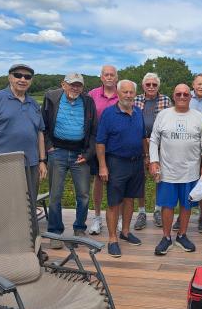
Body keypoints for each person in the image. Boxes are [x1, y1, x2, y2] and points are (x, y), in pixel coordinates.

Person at [149, 83, 202, 255]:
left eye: (185, 94)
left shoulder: (199, 117)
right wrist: (154, 161)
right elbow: (154, 140)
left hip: (190, 171)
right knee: (167, 205)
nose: (182, 97)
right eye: (179, 94)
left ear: (190, 97)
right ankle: (166, 237)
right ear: (173, 96)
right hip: (167, 171)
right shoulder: (163, 115)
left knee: (186, 205)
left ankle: (182, 235)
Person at [42, 73, 97, 249]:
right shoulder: (51, 98)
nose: (75, 88)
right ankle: (55, 232)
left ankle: (79, 229)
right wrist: (49, 146)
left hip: (80, 155)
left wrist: (88, 154)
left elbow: (94, 131)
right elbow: (43, 125)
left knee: (83, 195)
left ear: (82, 87)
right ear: (63, 84)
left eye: (78, 85)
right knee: (55, 195)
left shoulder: (88, 102)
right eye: (72, 84)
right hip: (56, 152)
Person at [0, 63, 47, 202]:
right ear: (10, 77)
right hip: (1, 164)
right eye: (18, 75)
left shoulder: (34, 104)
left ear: (31, 80)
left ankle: (28, 219)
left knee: (29, 204)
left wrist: (42, 161)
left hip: (31, 164)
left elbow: (39, 134)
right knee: (2, 203)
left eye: (27, 77)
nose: (23, 79)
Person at [96, 80, 147, 258]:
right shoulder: (109, 114)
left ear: (135, 94)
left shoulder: (138, 112)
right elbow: (100, 142)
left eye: (131, 92)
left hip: (136, 162)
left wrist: (147, 157)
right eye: (125, 92)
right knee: (114, 202)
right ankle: (112, 239)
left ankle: (125, 231)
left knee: (130, 199)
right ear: (118, 94)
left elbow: (143, 137)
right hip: (116, 162)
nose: (128, 95)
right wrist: (103, 166)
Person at [176, 73, 202, 233]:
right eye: (199, 84)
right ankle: (180, 217)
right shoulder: (185, 97)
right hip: (186, 147)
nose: (201, 86)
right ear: (193, 85)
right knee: (183, 181)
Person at [133, 72, 172, 229]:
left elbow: (170, 122)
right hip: (138, 144)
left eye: (154, 84)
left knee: (158, 177)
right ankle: (141, 212)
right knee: (140, 179)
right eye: (148, 84)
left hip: (160, 145)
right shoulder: (136, 100)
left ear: (158, 86)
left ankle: (157, 210)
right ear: (143, 86)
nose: (151, 87)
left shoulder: (165, 100)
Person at [87, 65, 119, 235]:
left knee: (118, 181)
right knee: (99, 180)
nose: (109, 77)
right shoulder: (92, 94)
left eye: (112, 75)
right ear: (101, 77)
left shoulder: (121, 93)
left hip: (117, 144)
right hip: (98, 143)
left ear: (116, 77)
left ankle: (118, 217)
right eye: (106, 74)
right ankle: (97, 217)